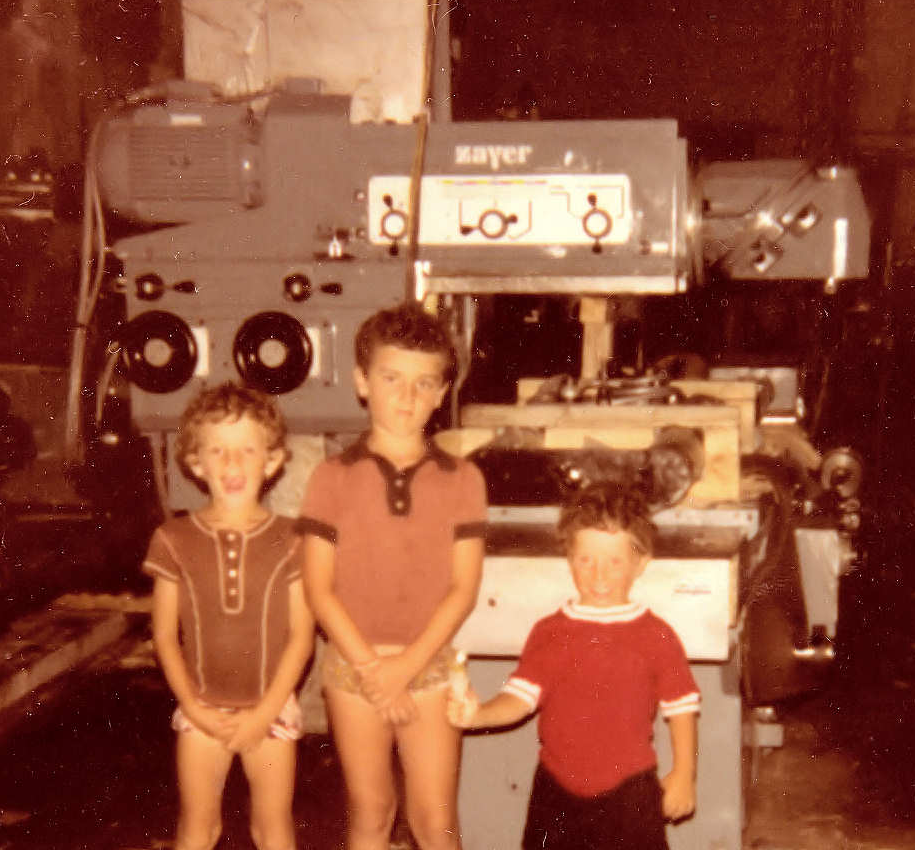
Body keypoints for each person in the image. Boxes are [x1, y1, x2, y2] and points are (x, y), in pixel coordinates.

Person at [299, 303, 487, 850]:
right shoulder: (330, 477)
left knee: (436, 821)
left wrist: (404, 668)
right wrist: (371, 669)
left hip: (428, 665)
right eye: (391, 379)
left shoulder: (464, 479)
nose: (407, 397)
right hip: (352, 667)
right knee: (371, 812)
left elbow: (463, 589)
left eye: (423, 383)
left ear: (442, 391)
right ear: (362, 382)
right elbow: (318, 589)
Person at [448, 483, 700, 850]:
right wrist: (478, 715)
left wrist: (684, 773)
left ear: (640, 563)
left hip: (630, 792)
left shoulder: (656, 635)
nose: (599, 575)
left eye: (614, 562)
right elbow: (520, 698)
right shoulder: (549, 632)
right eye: (586, 560)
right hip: (556, 791)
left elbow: (682, 708)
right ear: (569, 560)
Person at [144, 382, 313, 850]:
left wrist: (265, 713)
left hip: (271, 708)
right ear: (196, 463)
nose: (232, 464)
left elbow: (302, 636)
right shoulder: (174, 538)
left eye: (247, 450)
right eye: (217, 450)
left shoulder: (293, 539)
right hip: (201, 709)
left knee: (272, 829)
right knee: (197, 829)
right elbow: (164, 636)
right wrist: (193, 706)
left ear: (272, 461)